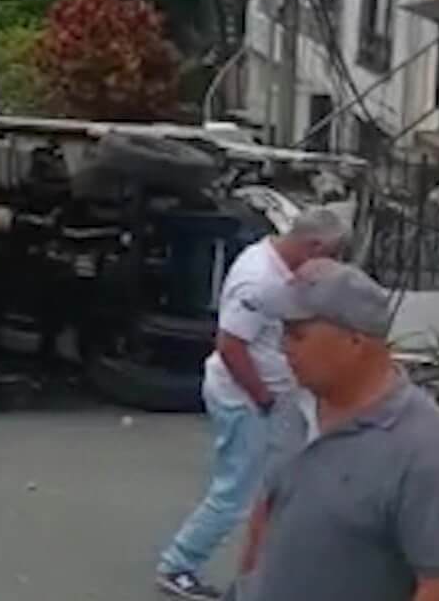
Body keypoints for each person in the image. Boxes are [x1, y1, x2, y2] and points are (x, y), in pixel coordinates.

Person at [235, 259, 439, 601]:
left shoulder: (427, 452)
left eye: (297, 334)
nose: (282, 347)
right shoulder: (295, 407)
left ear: (355, 342)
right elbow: (268, 511)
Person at [153, 208, 348, 599]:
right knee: (235, 492)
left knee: (283, 481)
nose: (335, 265)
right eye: (334, 255)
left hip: (269, 397)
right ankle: (179, 564)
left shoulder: (276, 265)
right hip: (246, 398)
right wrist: (263, 397)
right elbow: (230, 346)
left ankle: (274, 569)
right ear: (314, 246)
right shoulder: (260, 280)